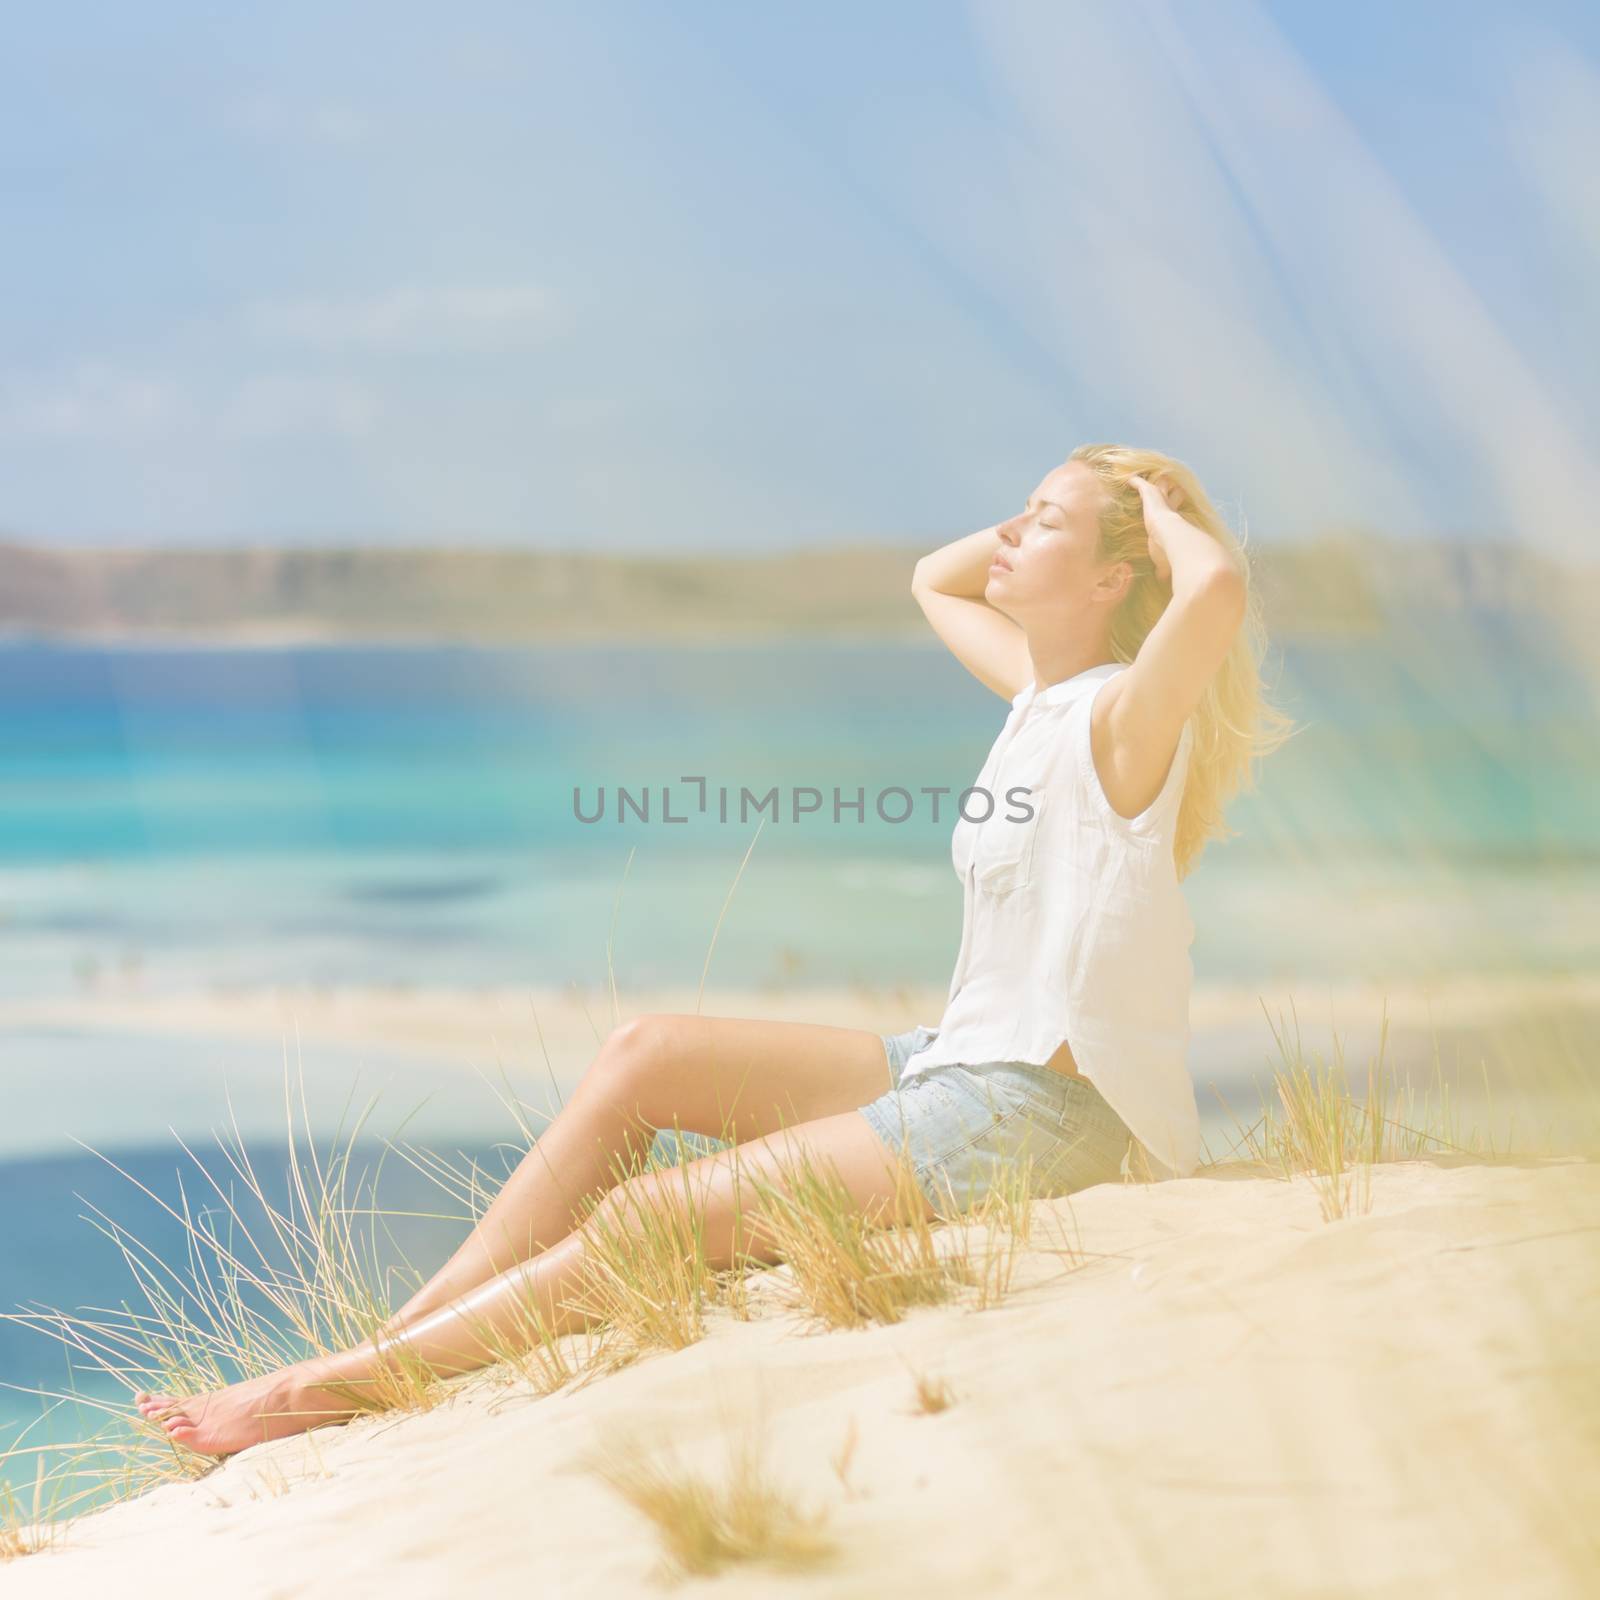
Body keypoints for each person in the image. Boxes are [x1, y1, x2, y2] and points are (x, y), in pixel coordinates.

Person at [138, 443, 1280, 1456]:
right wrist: (1055, 522)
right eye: (1016, 510)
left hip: (1038, 1109)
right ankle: (394, 1340)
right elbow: (930, 576)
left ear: (1115, 579)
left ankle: (332, 1392)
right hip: (957, 1064)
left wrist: (1154, 504)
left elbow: (1217, 587)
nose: (1013, 530)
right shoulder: (1039, 693)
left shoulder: (1124, 720)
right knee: (648, 1053)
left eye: (1044, 523)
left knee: (652, 1218)